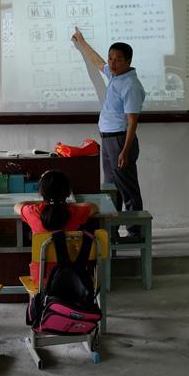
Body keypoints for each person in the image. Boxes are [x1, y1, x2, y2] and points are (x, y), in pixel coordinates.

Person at [71, 28, 146, 240]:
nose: (112, 63)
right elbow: (96, 61)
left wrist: (125, 150)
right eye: (111, 58)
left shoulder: (130, 85)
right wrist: (82, 43)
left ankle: (135, 232)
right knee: (111, 190)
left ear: (128, 61)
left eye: (118, 60)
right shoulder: (115, 77)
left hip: (121, 140)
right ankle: (111, 232)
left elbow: (133, 122)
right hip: (108, 140)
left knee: (127, 188)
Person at [14, 170, 99, 285]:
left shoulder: (33, 211)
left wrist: (45, 201)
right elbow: (93, 206)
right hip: (71, 276)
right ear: (68, 193)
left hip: (41, 278)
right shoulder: (75, 212)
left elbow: (18, 205)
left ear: (41, 193)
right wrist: (64, 204)